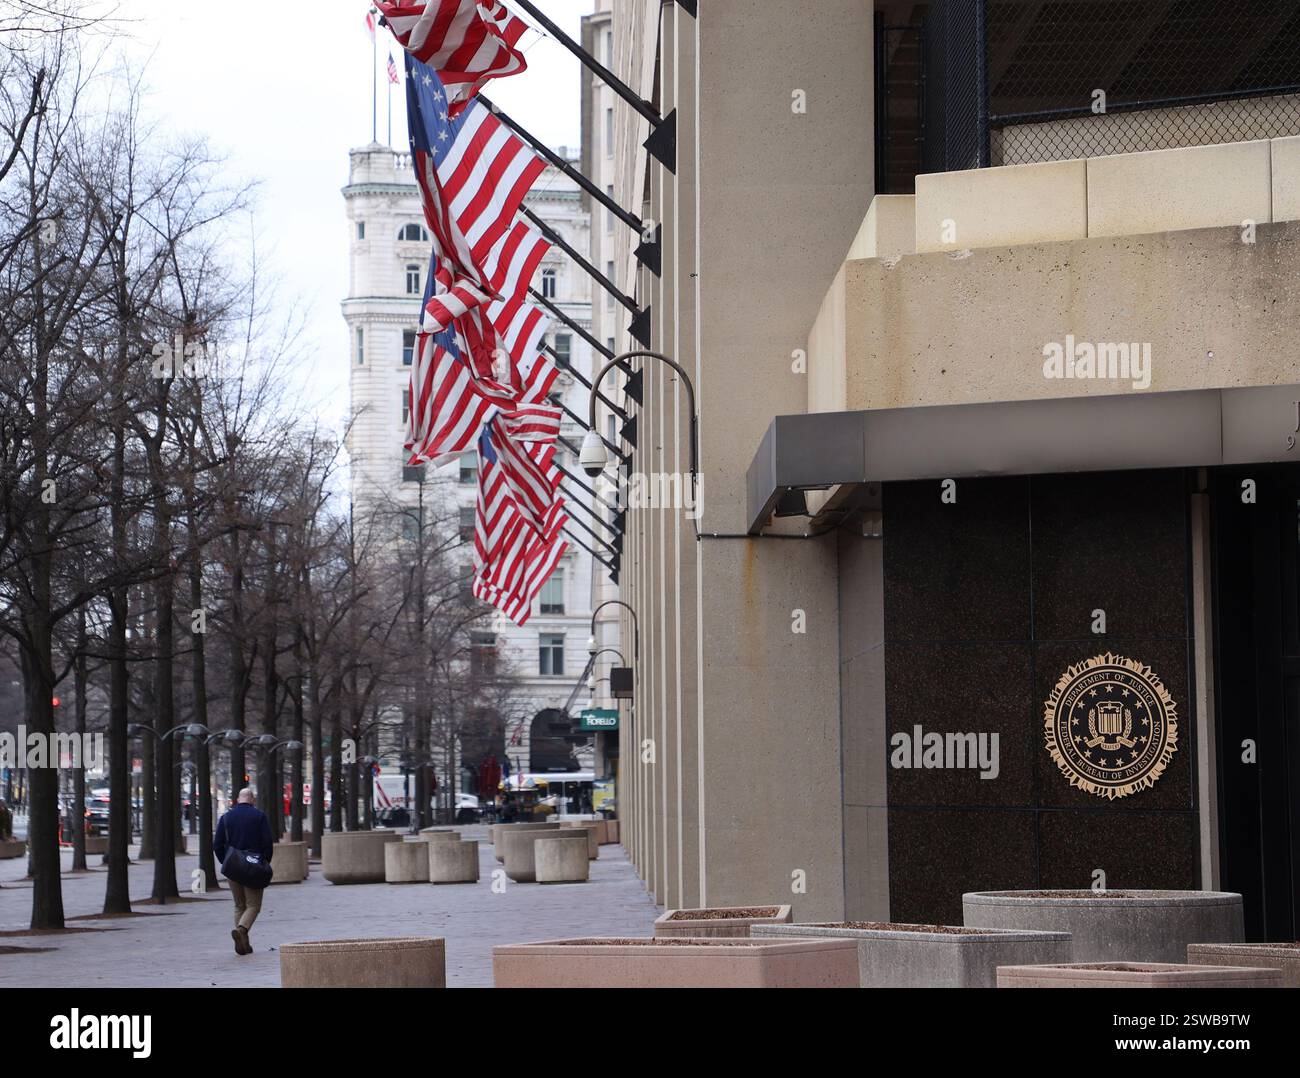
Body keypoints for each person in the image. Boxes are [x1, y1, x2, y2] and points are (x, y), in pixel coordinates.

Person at [214, 788, 273, 956]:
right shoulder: (259, 816)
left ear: (237, 799)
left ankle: (243, 944)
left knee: (239, 905)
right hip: (253, 867)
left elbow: (217, 844)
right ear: (252, 800)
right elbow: (267, 843)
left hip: (233, 866)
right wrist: (264, 863)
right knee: (253, 905)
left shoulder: (226, 818)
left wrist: (225, 862)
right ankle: (241, 930)